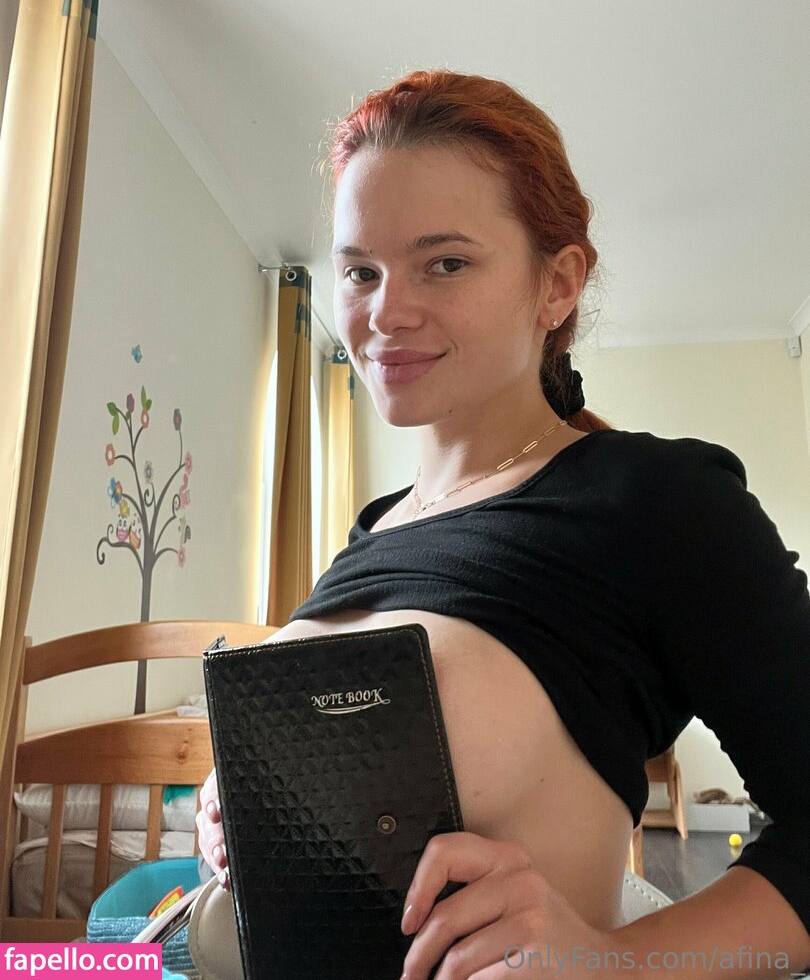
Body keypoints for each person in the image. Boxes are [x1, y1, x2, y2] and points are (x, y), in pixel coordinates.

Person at [197, 70, 810, 978]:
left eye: (445, 263)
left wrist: (614, 964)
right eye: (361, 271)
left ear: (557, 284)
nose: (386, 312)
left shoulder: (657, 503)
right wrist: (248, 811)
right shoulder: (371, 535)